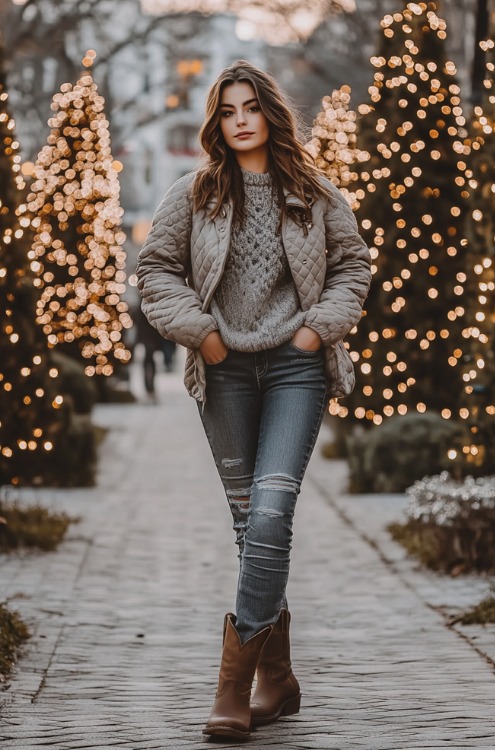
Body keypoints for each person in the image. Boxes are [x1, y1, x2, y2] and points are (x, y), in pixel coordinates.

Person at [136, 60, 371, 739]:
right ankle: (278, 679)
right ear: (219, 121)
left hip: (298, 368)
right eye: (229, 110)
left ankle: (232, 685)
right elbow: (154, 270)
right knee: (251, 528)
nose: (241, 120)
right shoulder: (194, 192)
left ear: (270, 113)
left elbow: (353, 264)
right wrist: (203, 335)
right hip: (227, 371)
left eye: (251, 107)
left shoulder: (316, 192)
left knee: (270, 512)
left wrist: (313, 332)